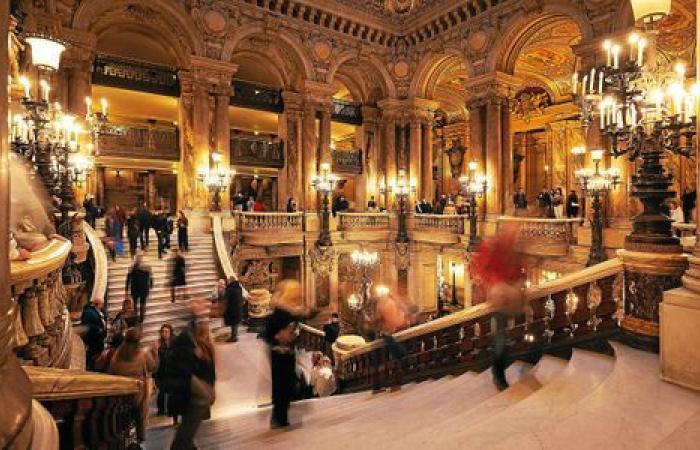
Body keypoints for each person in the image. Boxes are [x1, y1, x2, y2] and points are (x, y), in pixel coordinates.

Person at [469, 224, 525, 391]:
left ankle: (501, 370)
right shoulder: (493, 247)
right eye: (512, 232)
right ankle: (498, 375)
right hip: (499, 300)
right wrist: (494, 285)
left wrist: (517, 284)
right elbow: (478, 267)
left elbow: (521, 272)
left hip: (511, 300)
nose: (514, 235)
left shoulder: (513, 251)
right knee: (501, 337)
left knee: (506, 336)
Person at [264, 279, 317, 428]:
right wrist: (279, 336)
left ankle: (281, 415)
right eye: (297, 292)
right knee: (281, 386)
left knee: (287, 385)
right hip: (279, 354)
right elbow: (268, 334)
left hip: (288, 353)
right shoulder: (280, 312)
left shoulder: (290, 310)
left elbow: (306, 314)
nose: (299, 295)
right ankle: (279, 417)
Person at [167, 317, 216, 450]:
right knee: (187, 432)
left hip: (195, 395)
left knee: (186, 432)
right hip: (197, 394)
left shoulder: (199, 348)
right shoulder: (203, 347)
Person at [109, 328, 158, 444]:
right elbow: (153, 367)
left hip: (120, 395)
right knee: (142, 411)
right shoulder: (142, 355)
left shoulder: (117, 355)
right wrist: (154, 353)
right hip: (138, 396)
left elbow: (111, 371)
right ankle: (141, 437)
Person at [126, 253, 153, 324]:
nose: (139, 259)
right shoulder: (132, 267)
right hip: (135, 289)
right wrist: (126, 290)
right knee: (135, 304)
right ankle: (135, 317)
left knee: (142, 304)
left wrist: (151, 285)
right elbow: (128, 279)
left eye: (140, 257)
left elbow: (150, 277)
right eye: (138, 257)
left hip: (143, 289)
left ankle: (141, 318)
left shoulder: (147, 267)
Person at [154, 324, 175, 417]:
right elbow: (158, 360)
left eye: (166, 332)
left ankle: (172, 410)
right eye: (162, 332)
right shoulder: (160, 345)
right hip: (162, 372)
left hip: (172, 371)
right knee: (161, 392)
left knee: (172, 393)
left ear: (170, 333)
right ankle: (161, 410)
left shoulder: (175, 343)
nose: (164, 334)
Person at [81, 297, 106, 370]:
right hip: (94, 339)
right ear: (97, 304)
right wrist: (98, 329)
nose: (102, 306)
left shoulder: (94, 311)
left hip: (96, 338)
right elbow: (88, 326)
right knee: (94, 355)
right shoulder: (90, 313)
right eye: (102, 304)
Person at [224, 275, 246, 342]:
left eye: (228, 280)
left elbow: (226, 299)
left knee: (233, 324)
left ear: (230, 281)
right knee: (235, 324)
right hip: (238, 308)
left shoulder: (230, 289)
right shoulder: (239, 287)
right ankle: (234, 336)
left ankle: (233, 338)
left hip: (232, 309)